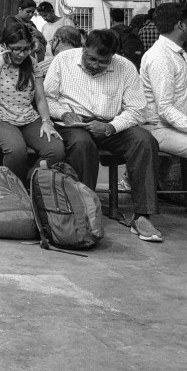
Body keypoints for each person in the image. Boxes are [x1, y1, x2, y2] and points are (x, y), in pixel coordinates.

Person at [44, 29, 163, 242]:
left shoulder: (125, 67)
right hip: (74, 123)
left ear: (113, 57)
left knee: (145, 141)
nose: (95, 65)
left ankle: (142, 215)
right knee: (81, 144)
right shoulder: (63, 60)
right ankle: (84, 209)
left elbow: (137, 109)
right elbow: (47, 98)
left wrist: (111, 127)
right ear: (83, 47)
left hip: (111, 124)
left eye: (103, 62)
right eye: (91, 58)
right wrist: (62, 113)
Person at [139, 3, 187, 240]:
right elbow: (166, 109)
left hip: (170, 126)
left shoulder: (175, 51)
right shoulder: (161, 56)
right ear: (180, 24)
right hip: (156, 128)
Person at [0, 25, 64, 182]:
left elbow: (40, 97)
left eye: (26, 49)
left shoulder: (32, 62)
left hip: (27, 118)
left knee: (56, 149)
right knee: (16, 150)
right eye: (16, 49)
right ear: (4, 46)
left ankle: (29, 183)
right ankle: (13, 194)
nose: (21, 54)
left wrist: (46, 122)